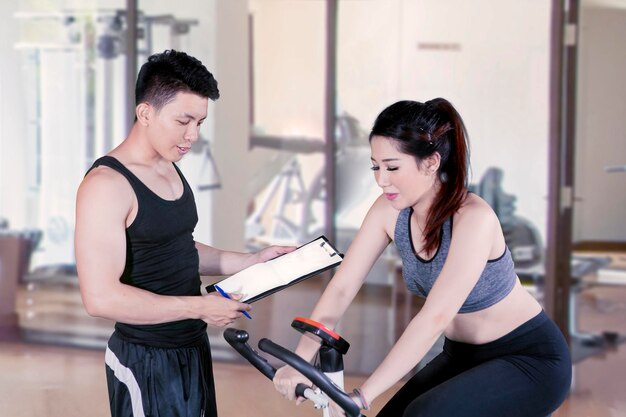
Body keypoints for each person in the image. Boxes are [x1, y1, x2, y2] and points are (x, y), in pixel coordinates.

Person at [273, 98, 572, 417]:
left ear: (431, 162)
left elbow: (436, 317)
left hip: (528, 359)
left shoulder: (474, 219)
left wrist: (363, 395)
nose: (381, 180)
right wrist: (301, 360)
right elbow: (343, 286)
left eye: (392, 167)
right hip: (461, 355)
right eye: (375, 166)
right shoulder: (388, 211)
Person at [74, 49, 293, 417]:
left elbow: (174, 245)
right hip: (144, 359)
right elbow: (100, 298)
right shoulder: (106, 186)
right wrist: (200, 306)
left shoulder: (168, 163)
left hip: (191, 348)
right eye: (183, 121)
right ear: (145, 113)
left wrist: (248, 260)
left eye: (200, 123)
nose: (192, 135)